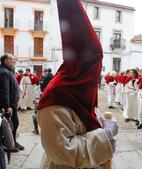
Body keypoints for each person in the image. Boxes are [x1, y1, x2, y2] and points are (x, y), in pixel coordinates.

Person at [37, 0, 118, 168]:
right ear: (82, 66)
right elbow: (61, 152)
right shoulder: (55, 97)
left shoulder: (80, 89)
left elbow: (83, 123)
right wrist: (104, 136)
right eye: (95, 65)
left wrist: (99, 122)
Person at [0, 53, 24, 152]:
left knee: (12, 123)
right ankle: (8, 144)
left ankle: (12, 141)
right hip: (8, 104)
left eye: (14, 59)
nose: (13, 61)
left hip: (12, 103)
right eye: (12, 59)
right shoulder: (4, 72)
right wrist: (7, 106)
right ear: (5, 60)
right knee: (10, 124)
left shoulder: (8, 71)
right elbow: (4, 90)